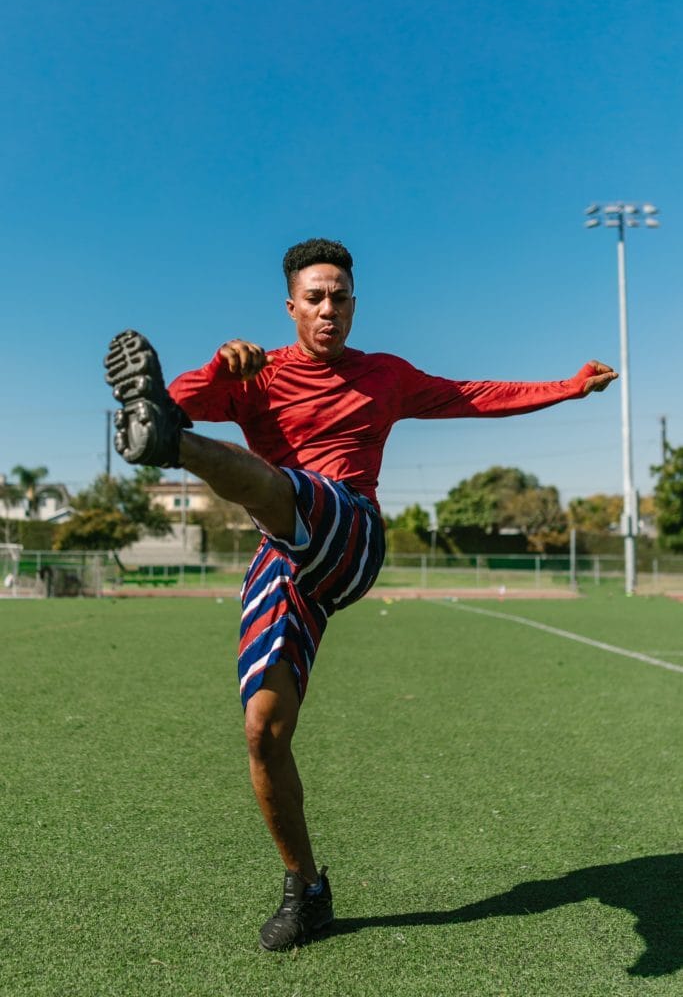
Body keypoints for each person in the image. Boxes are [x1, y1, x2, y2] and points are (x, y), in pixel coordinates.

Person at [104, 238, 617, 951]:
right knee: (262, 731)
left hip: (350, 532)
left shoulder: (385, 375)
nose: (328, 309)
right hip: (283, 559)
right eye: (314, 298)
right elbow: (175, 404)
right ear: (290, 307)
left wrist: (567, 385)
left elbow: (474, 396)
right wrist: (218, 369)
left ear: (354, 304)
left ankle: (171, 450)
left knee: (283, 486)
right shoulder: (257, 373)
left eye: (340, 297)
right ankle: (306, 890)